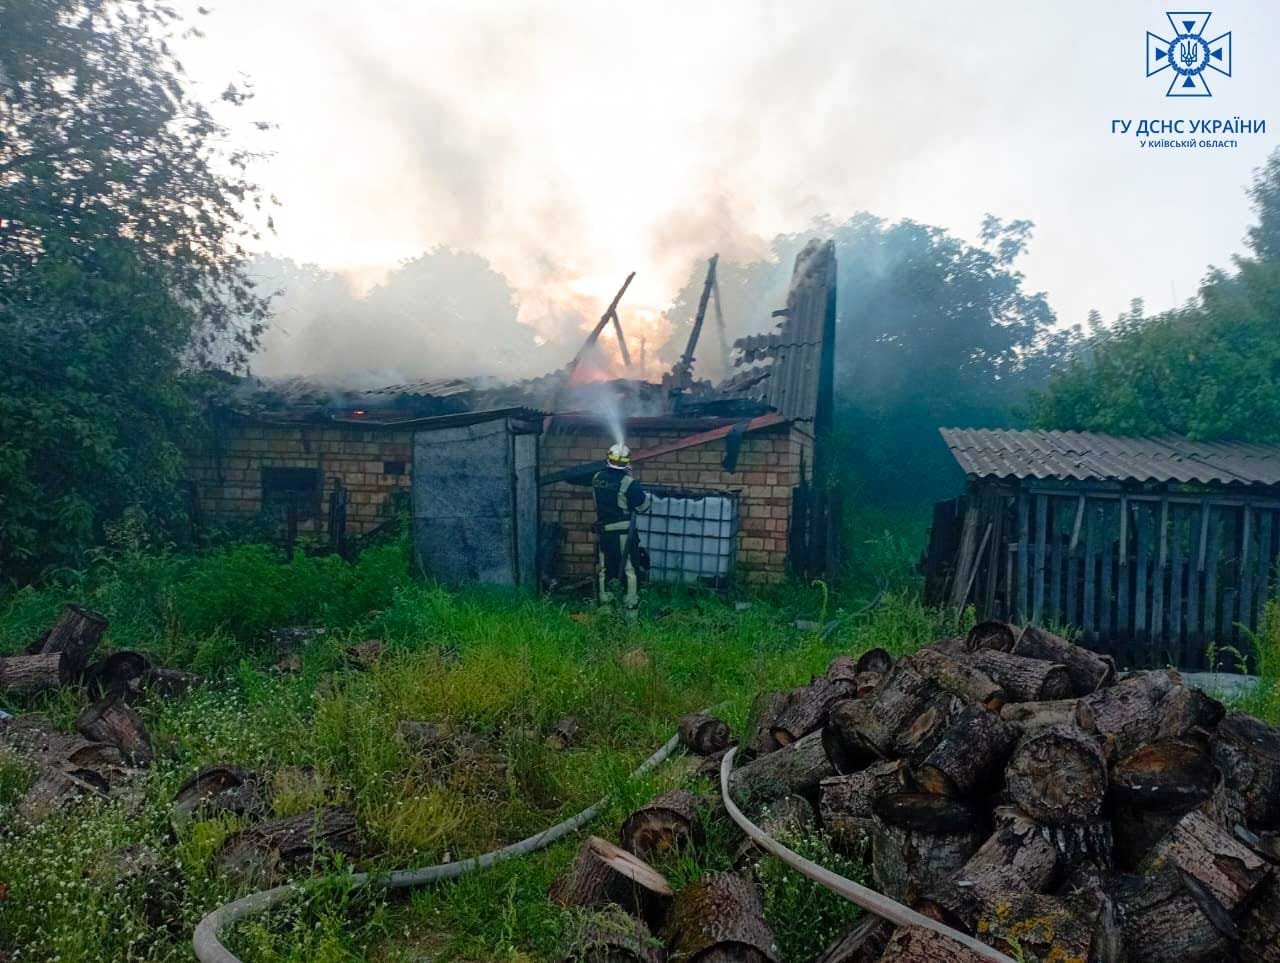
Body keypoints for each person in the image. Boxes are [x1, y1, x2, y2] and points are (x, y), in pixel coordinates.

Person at [592, 443, 650, 613]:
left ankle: (606, 607)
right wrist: (633, 480)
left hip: (604, 531)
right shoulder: (628, 482)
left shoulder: (597, 478)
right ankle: (631, 607)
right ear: (626, 461)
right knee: (630, 569)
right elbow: (643, 507)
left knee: (605, 568)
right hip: (624, 533)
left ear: (608, 458)